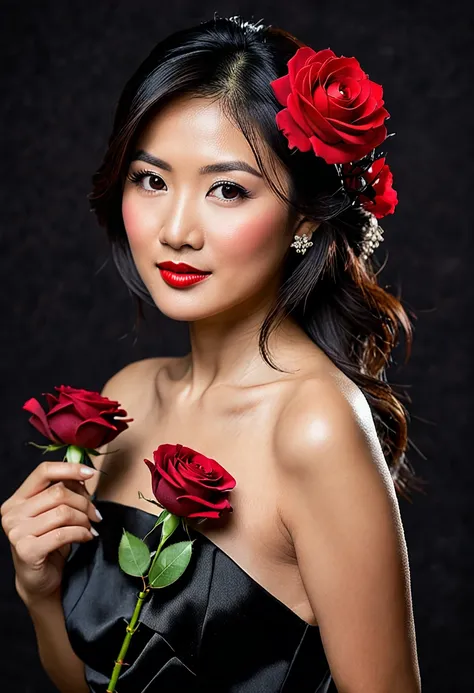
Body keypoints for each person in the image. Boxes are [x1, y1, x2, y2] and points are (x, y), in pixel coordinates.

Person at [1, 14, 423, 693]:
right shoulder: (129, 398)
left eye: (227, 189)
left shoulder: (313, 426)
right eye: (151, 180)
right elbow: (86, 678)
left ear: (306, 216)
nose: (175, 230)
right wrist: (39, 589)